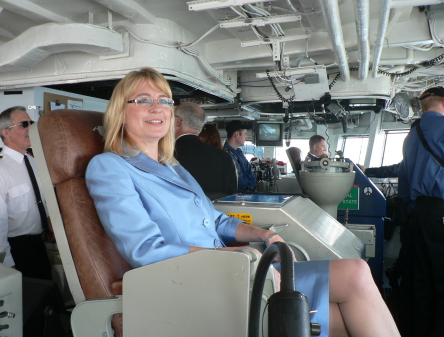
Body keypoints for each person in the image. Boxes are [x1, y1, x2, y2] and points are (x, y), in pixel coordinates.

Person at [85, 67, 400, 337]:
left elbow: (217, 220)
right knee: (353, 284)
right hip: (191, 282)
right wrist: (240, 257)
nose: (157, 108)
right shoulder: (109, 167)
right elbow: (146, 250)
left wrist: (262, 236)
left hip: (228, 271)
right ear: (120, 112)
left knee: (350, 301)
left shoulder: (173, 165)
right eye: (143, 100)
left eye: (164, 101)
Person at [398, 86, 444, 337]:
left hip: (419, 215)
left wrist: (411, 210)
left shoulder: (411, 135)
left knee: (422, 282)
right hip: (440, 210)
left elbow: (404, 178)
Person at [0, 106, 52, 279]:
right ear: (6, 132)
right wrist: (6, 262)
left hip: (39, 244)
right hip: (16, 248)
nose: (30, 128)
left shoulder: (34, 162)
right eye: (24, 124)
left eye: (31, 123)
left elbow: (42, 197)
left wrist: (48, 220)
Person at [174, 102, 237, 197]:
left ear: (178, 121)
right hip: (216, 211)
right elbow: (232, 198)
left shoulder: (166, 156)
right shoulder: (224, 157)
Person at [223, 120, 256, 191]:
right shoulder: (225, 155)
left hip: (246, 194)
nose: (246, 137)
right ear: (237, 134)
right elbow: (238, 182)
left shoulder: (239, 153)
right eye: (245, 134)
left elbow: (251, 175)